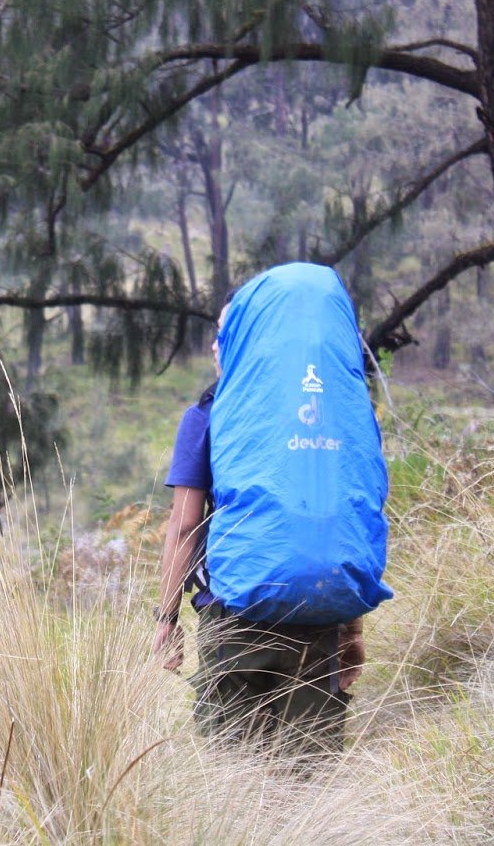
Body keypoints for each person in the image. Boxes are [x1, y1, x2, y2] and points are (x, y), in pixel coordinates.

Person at [152, 268, 380, 755]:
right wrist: (352, 625)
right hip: (319, 620)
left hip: (234, 619)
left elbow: (185, 524)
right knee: (307, 789)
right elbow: (352, 513)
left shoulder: (208, 415)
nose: (217, 344)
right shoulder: (341, 415)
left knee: (232, 788)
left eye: (227, 331)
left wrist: (166, 618)